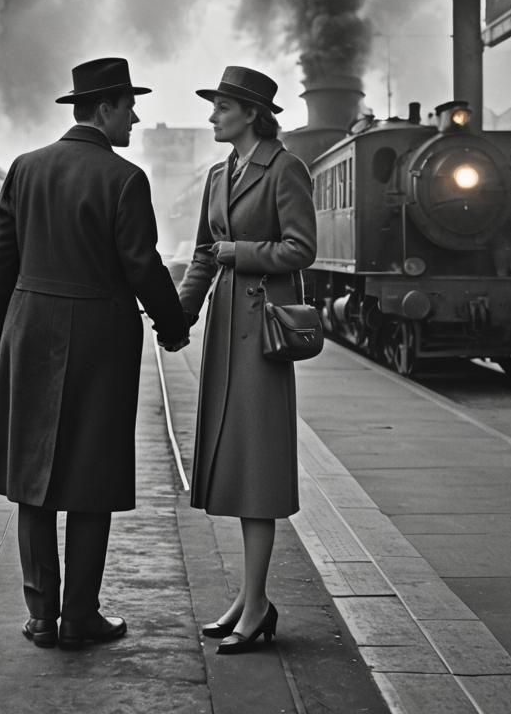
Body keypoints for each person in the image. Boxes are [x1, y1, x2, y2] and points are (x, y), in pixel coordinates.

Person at [0, 57, 189, 650]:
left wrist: (8, 321)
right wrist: (172, 325)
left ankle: (41, 615)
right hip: (100, 339)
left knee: (32, 473)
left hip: (31, 329)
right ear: (106, 108)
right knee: (92, 472)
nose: (135, 119)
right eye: (130, 108)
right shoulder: (125, 179)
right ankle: (80, 616)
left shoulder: (27, 167)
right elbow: (141, 264)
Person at [178, 65, 317, 655]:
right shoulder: (219, 173)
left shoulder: (285, 169)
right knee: (236, 464)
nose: (213, 116)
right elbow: (203, 254)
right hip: (225, 330)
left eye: (222, 107)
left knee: (256, 468)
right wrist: (179, 315)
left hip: (261, 336)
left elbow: (301, 248)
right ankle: (248, 598)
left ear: (252, 114)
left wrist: (242, 251)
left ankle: (256, 603)